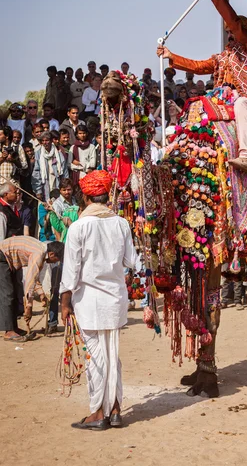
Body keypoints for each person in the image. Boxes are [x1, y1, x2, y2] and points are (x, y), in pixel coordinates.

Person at [157, 0, 247, 174]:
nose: (230, 35)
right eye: (227, 32)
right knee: (196, 106)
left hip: (246, 97)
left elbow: (234, 22)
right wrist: (170, 55)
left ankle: (245, 155)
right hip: (220, 97)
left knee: (241, 104)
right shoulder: (222, 57)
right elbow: (199, 67)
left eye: (233, 32)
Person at [60, 170, 136, 430]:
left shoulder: (79, 227)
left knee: (96, 356)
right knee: (112, 354)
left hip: (89, 301)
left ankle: (98, 413)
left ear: (85, 197)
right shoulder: (121, 223)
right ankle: (114, 408)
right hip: (114, 299)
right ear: (106, 196)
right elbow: (131, 261)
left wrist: (64, 303)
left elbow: (70, 271)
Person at [0, 236, 64, 342]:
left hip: (8, 260)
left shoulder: (41, 251)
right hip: (2, 257)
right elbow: (30, 281)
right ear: (52, 254)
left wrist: (41, 294)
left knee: (15, 293)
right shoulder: (38, 254)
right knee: (8, 294)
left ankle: (13, 328)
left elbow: (34, 276)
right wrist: (29, 306)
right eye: (56, 260)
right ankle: (9, 331)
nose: (54, 263)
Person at [32, 132, 68, 202]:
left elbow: (64, 172)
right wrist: (38, 190)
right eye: (43, 141)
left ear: (51, 141)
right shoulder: (38, 153)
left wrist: (65, 188)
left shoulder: (59, 154)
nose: (45, 142)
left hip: (57, 182)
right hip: (45, 184)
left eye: (47, 140)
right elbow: (36, 172)